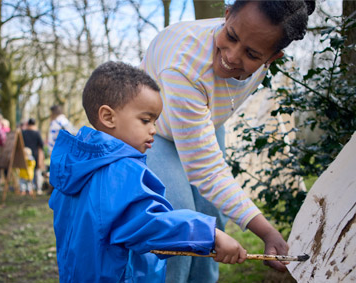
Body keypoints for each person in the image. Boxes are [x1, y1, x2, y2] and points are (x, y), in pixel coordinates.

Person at [140, 0, 316, 282]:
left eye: (252, 53)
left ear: (273, 58)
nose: (232, 56)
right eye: (231, 36)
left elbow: (203, 142)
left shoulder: (259, 51)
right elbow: (206, 170)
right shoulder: (184, 65)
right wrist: (268, 232)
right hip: (155, 131)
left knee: (212, 220)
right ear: (226, 15)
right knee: (180, 225)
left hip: (201, 119)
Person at [49, 61, 248, 282]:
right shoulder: (121, 172)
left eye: (155, 121)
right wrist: (210, 234)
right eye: (145, 120)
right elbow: (150, 224)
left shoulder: (73, 167)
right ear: (108, 117)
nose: (153, 129)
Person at [22, 118, 45, 194]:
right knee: (37, 173)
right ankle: (38, 189)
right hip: (35, 156)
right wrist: (41, 159)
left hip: (25, 156)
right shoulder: (37, 133)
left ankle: (25, 189)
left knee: (25, 173)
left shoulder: (23, 133)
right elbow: (41, 146)